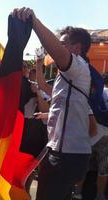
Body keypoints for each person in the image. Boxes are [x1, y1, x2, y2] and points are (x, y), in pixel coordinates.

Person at [13, 8, 93, 200]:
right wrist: (39, 63)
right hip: (63, 152)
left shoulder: (79, 67)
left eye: (63, 43)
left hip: (66, 154)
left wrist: (34, 21)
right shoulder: (67, 75)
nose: (58, 47)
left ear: (77, 48)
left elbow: (56, 51)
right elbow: (44, 88)